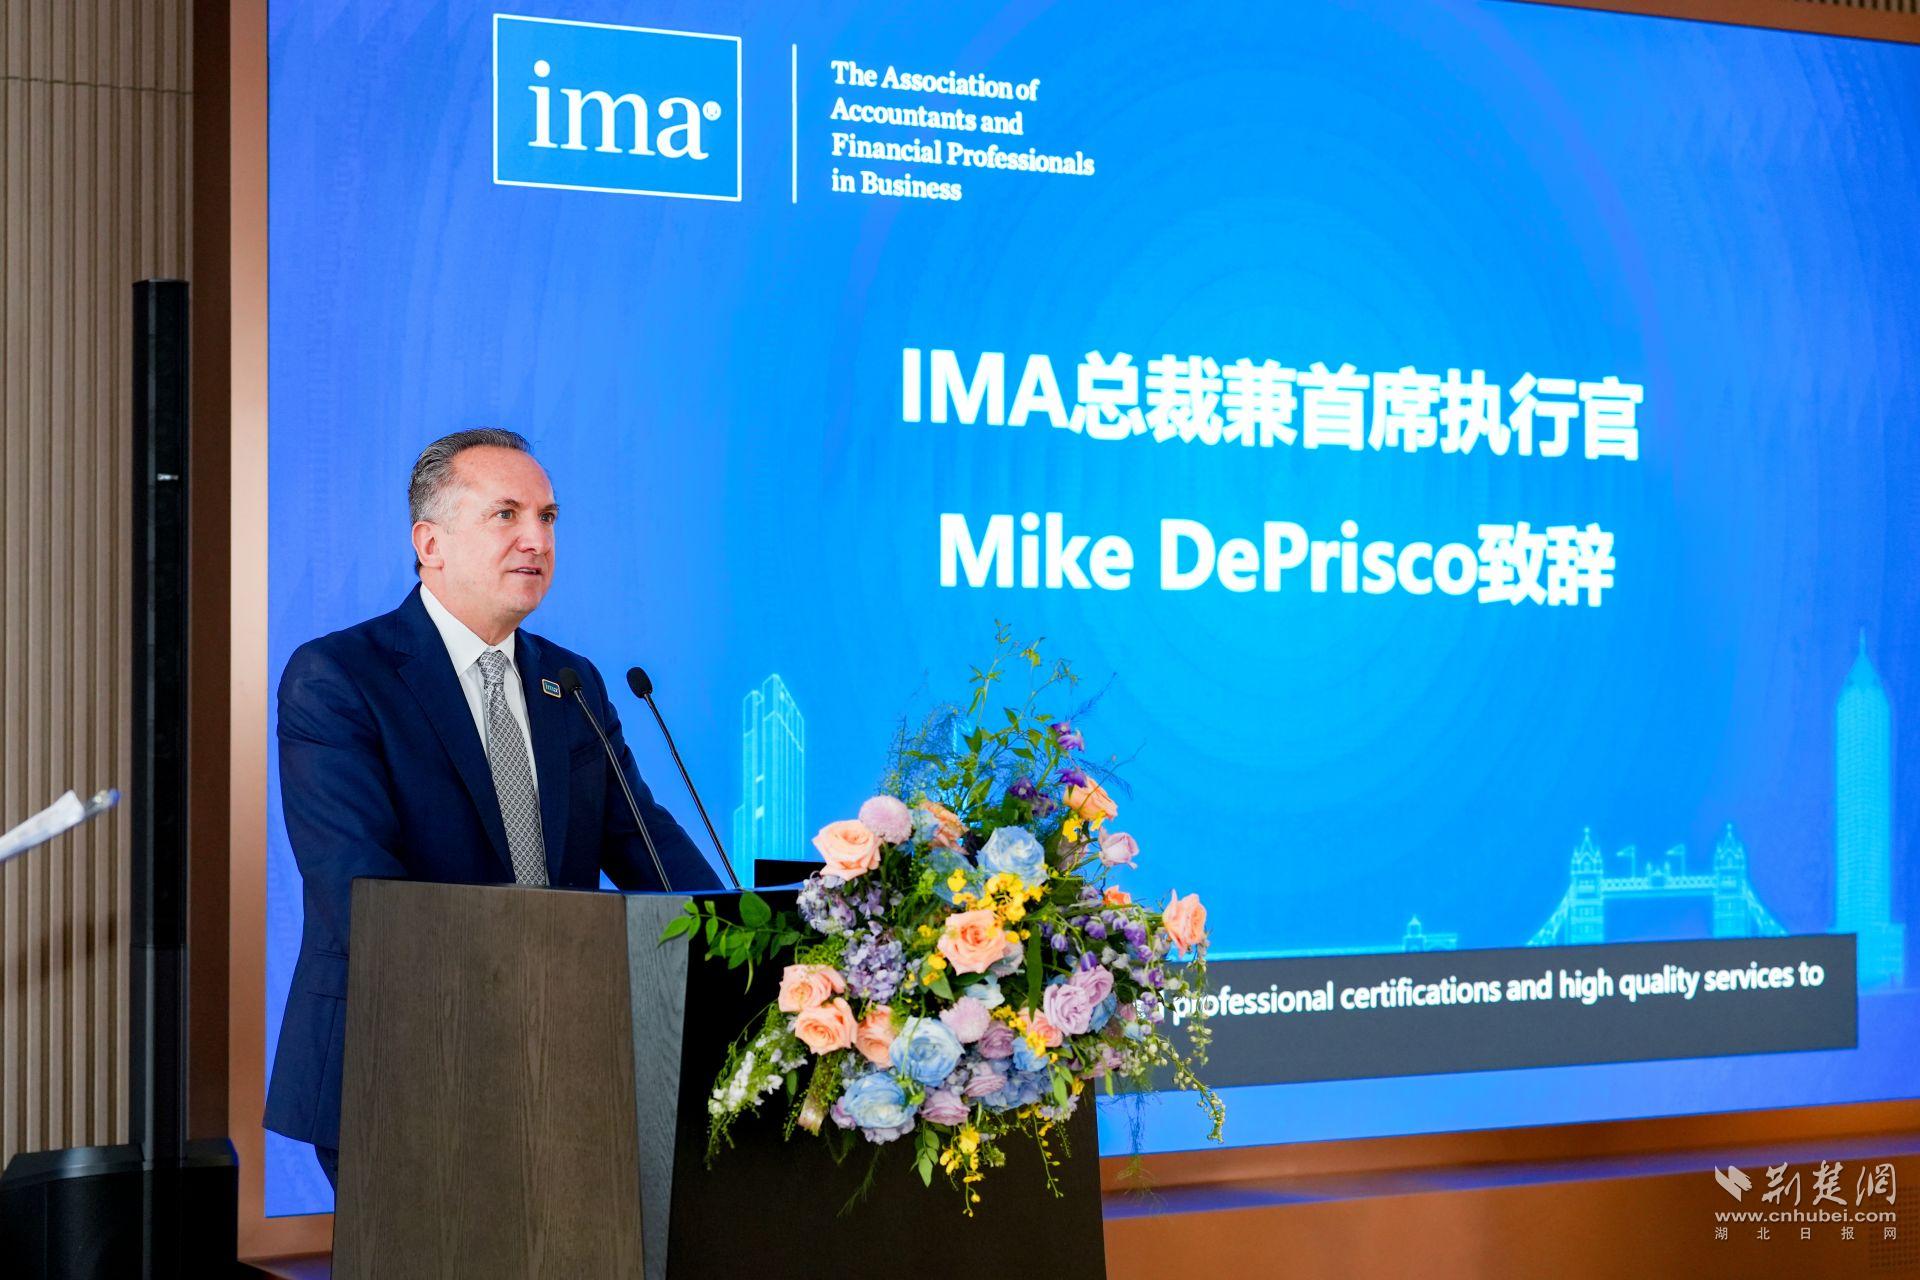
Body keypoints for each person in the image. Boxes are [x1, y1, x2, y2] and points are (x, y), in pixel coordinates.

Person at [263, 428, 720, 1191]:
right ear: (430, 543)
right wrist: (519, 991)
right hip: (402, 1064)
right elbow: (360, 889)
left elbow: (646, 844)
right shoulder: (340, 678)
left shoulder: (570, 682)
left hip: (563, 1064)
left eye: (548, 517)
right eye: (506, 514)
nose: (536, 539)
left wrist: (737, 940)